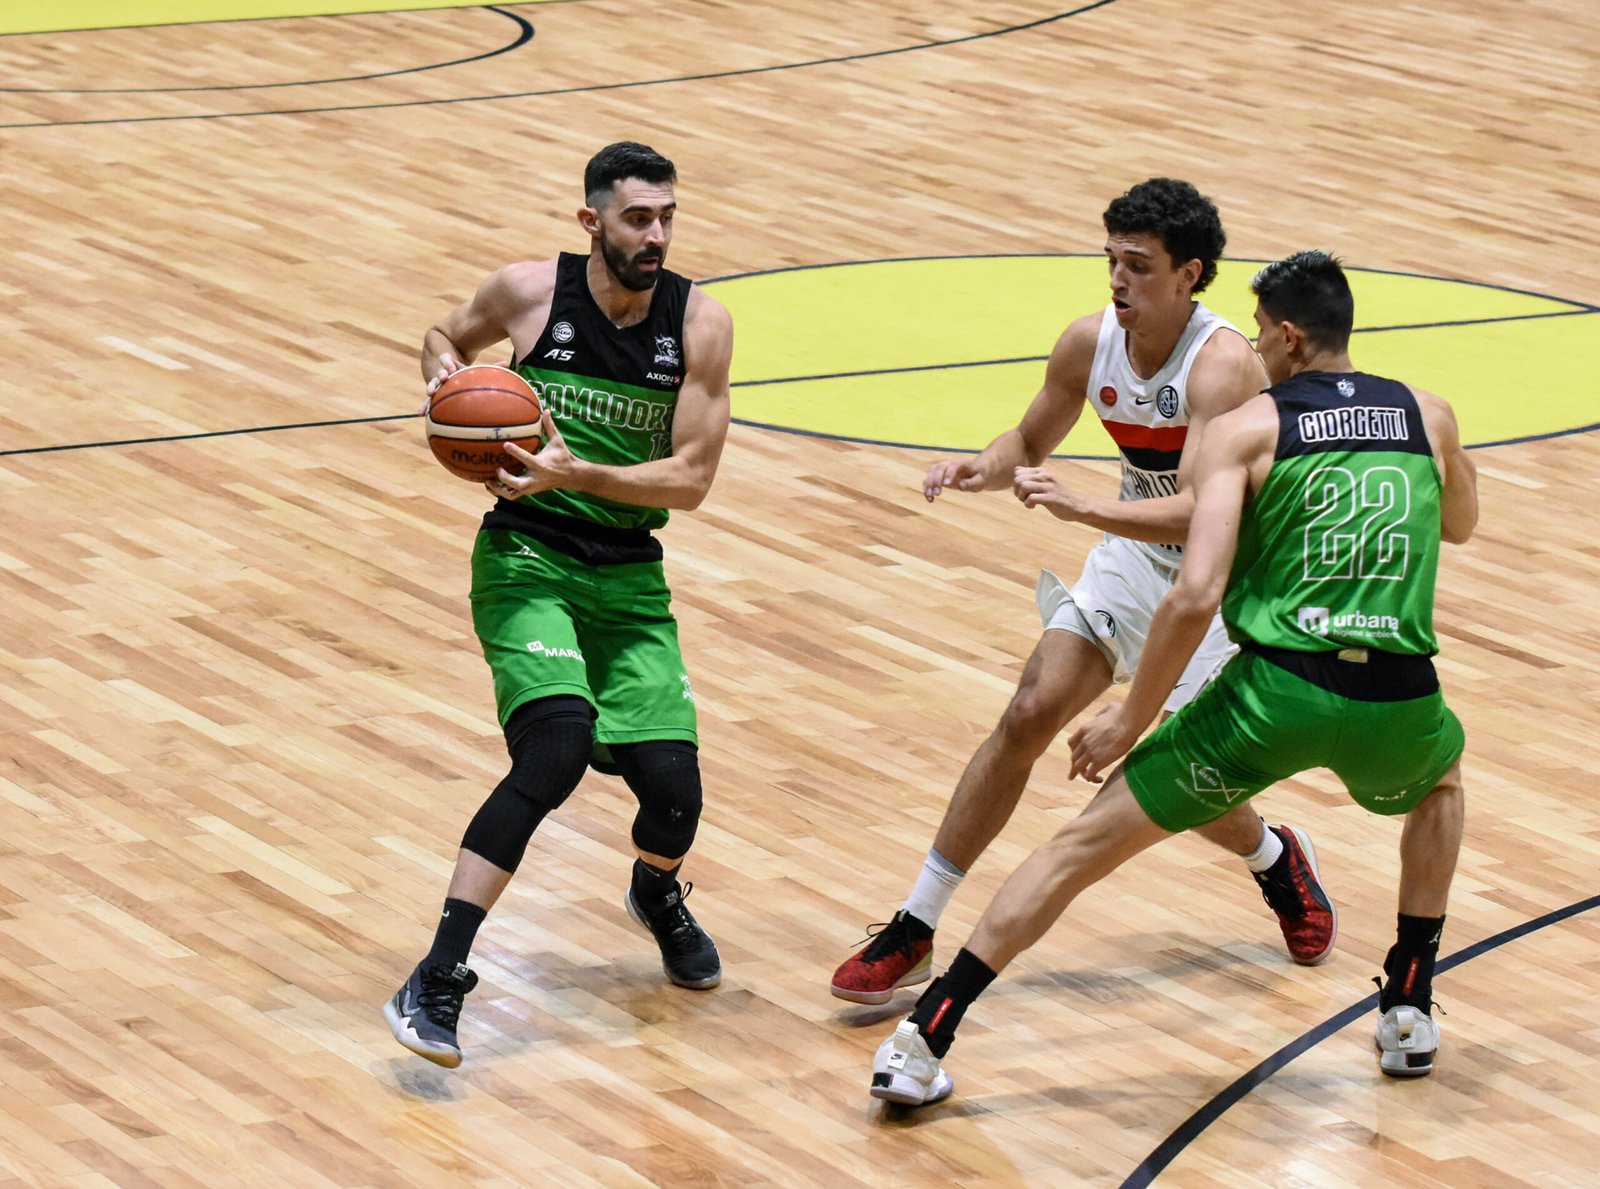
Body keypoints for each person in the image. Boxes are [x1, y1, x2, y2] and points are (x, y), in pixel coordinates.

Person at [868, 249, 1476, 1106]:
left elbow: (1194, 593)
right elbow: (1460, 522)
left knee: (1079, 845)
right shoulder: (1430, 413)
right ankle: (1408, 1003)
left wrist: (1130, 717)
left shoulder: (1249, 426)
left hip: (1277, 696)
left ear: (1291, 338)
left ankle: (921, 1039)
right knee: (1441, 786)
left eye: (1262, 335)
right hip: (1399, 697)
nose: (1255, 349)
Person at [831, 179, 1335, 1007]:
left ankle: (1276, 858)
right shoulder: (1088, 342)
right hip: (1134, 558)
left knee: (1171, 775)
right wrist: (983, 465)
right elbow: (1029, 438)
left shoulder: (1221, 367)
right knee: (1029, 710)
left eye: (1138, 265)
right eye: (1111, 260)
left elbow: (1201, 511)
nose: (1117, 279)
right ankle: (916, 923)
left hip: (1221, 578)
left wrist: (1083, 505)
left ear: (1189, 274)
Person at [384, 141, 735, 1068]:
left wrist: (580, 472)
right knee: (556, 748)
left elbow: (692, 480)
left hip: (630, 574)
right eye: (636, 217)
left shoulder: (700, 323)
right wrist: (445, 388)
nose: (655, 235)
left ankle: (655, 892)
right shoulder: (529, 292)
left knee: (674, 795)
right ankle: (438, 974)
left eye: (666, 217)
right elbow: (444, 336)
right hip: (527, 556)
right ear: (592, 221)